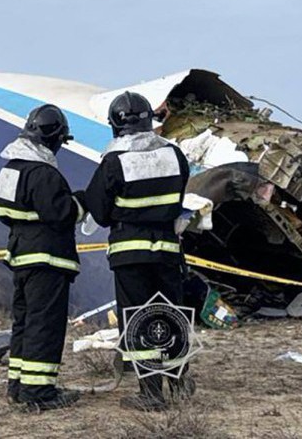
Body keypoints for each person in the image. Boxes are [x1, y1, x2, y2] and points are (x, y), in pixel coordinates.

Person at [84, 91, 193, 412]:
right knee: (171, 314)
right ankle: (180, 380)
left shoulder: (114, 160)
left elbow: (100, 211)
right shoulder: (174, 155)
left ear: (116, 125)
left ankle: (151, 393)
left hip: (131, 255)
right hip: (168, 252)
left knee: (139, 320)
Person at [0, 105, 85, 411]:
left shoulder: (11, 169)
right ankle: (39, 393)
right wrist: (81, 202)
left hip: (21, 257)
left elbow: (2, 212)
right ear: (54, 139)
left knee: (25, 322)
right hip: (47, 260)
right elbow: (62, 214)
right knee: (45, 324)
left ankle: (18, 386)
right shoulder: (44, 173)